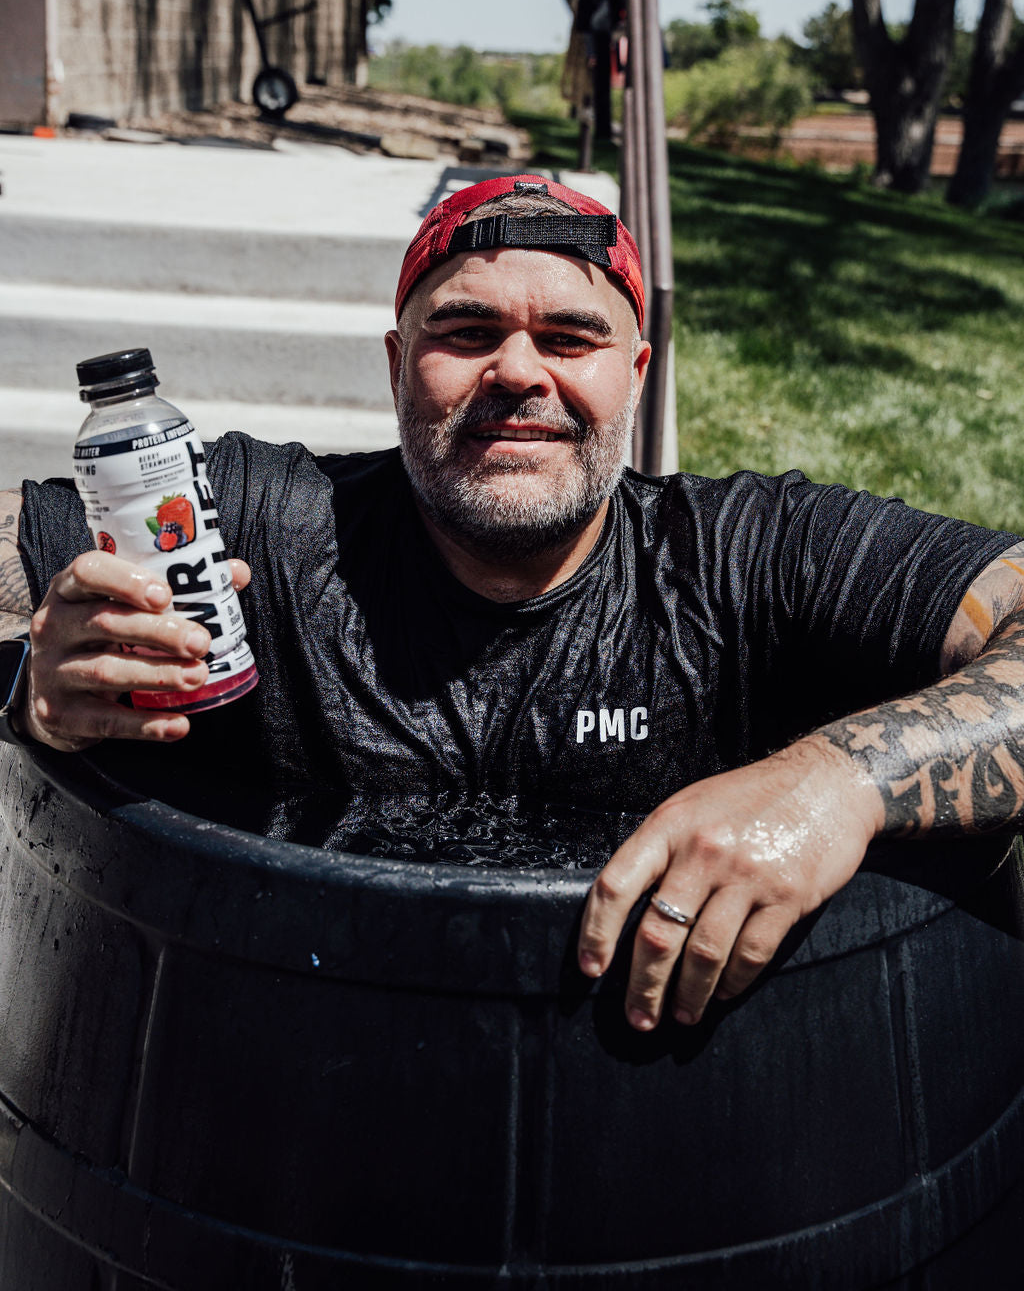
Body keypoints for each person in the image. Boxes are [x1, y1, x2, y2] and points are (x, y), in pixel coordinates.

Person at [2, 172, 1023, 1038]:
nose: (518, 372)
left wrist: (830, 784)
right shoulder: (246, 526)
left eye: (571, 338)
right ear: (398, 365)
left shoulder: (751, 555)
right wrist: (42, 695)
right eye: (466, 330)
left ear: (634, 376)